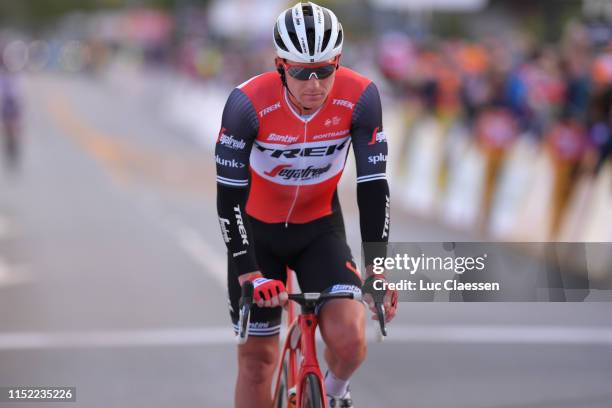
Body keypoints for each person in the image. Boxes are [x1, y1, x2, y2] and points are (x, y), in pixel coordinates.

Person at [214, 2, 398, 407]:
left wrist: (377, 269)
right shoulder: (246, 104)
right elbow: (228, 200)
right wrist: (249, 274)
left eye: (324, 70)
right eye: (300, 71)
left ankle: (332, 393)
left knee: (350, 343)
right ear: (280, 64)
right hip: (257, 235)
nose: (313, 83)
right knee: (258, 362)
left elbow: (373, 187)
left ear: (338, 61)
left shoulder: (361, 98)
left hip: (318, 230)